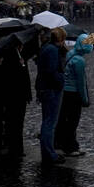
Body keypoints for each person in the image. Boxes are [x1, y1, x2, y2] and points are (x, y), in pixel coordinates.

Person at [0, 35, 31, 155]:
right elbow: (18, 78)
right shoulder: (13, 57)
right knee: (15, 122)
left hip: (12, 95)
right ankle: (15, 147)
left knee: (11, 121)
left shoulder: (16, 56)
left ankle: (11, 145)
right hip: (15, 96)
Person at [55, 34, 92, 157]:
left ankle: (64, 144)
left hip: (65, 92)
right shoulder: (80, 61)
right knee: (73, 121)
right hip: (73, 93)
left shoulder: (70, 54)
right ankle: (70, 147)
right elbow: (81, 83)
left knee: (64, 119)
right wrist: (85, 99)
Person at [35, 27, 67, 165]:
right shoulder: (53, 50)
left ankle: (47, 151)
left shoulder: (46, 48)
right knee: (50, 123)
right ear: (60, 39)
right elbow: (52, 71)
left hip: (45, 88)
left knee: (47, 121)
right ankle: (49, 153)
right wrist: (61, 79)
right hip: (52, 90)